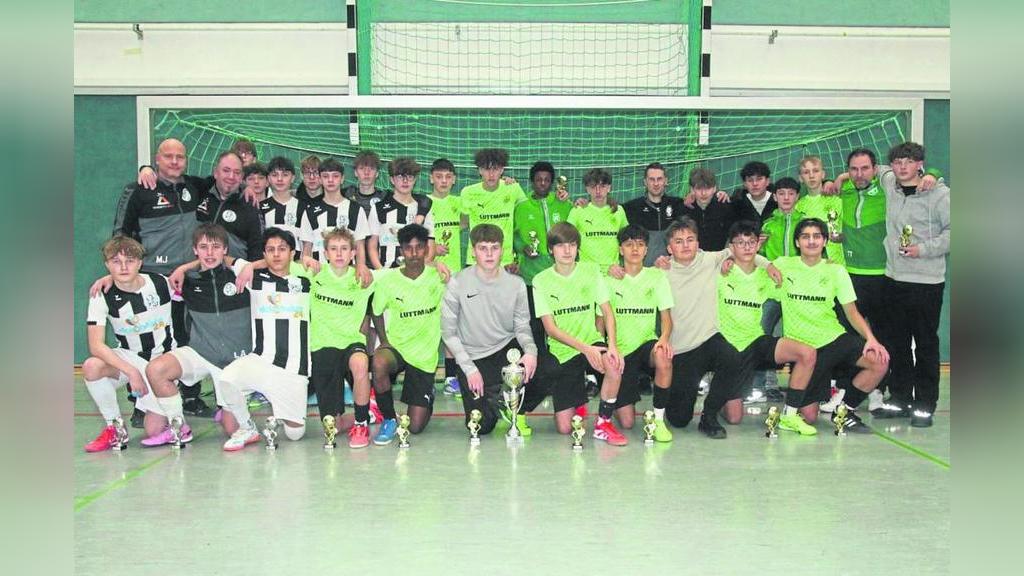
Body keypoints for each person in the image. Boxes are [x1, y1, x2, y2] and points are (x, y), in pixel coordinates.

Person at [112, 138, 208, 423]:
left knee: (186, 338)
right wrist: (122, 274)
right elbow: (120, 235)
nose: (175, 161)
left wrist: (249, 188)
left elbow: (226, 181)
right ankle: (142, 405)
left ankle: (190, 397)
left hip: (188, 278)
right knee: (148, 342)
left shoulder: (195, 187)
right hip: (152, 280)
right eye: (169, 156)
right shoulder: (138, 190)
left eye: (180, 156)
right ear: (157, 159)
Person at [660, 217, 780, 438]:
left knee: (732, 357)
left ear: (698, 243)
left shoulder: (710, 259)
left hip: (709, 339)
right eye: (678, 241)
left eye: (690, 239)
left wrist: (767, 264)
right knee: (678, 420)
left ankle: (709, 415)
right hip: (681, 350)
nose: (686, 245)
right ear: (669, 248)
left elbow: (743, 251)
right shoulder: (661, 272)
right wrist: (614, 270)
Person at [772, 218, 890, 433]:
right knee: (809, 416)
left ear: (825, 241)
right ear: (797, 242)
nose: (811, 241)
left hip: (834, 340)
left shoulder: (836, 271)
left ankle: (844, 411)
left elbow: (852, 312)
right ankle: (808, 401)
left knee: (879, 361)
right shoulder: (783, 265)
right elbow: (752, 264)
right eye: (805, 236)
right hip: (804, 351)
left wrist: (871, 339)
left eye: (817, 236)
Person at [140, 223, 253, 446]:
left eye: (215, 247)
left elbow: (274, 263)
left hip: (235, 362)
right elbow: (137, 282)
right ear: (194, 250)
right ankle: (179, 426)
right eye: (203, 247)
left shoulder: (242, 277)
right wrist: (108, 279)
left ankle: (228, 408)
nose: (209, 253)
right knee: (156, 371)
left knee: (233, 429)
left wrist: (245, 265)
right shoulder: (186, 281)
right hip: (200, 353)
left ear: (225, 250)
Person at [519, 222, 628, 445]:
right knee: (565, 428)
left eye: (572, 245)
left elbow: (607, 311)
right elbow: (551, 329)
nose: (567, 250)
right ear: (551, 250)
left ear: (578, 247)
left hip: (592, 341)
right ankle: (577, 399)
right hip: (564, 350)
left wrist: (613, 346)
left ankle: (604, 424)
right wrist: (585, 349)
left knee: (613, 364)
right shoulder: (541, 281)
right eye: (560, 246)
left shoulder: (591, 271)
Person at [872, 142, 950, 427]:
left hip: (926, 282)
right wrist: (839, 178)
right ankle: (900, 398)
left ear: (920, 164)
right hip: (894, 279)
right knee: (897, 343)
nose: (902, 166)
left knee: (926, 344)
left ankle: (924, 406)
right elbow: (875, 170)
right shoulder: (889, 183)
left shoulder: (940, 194)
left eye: (909, 161)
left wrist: (924, 249)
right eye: (897, 162)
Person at [718, 221, 819, 435]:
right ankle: (719, 394)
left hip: (756, 342)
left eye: (751, 242)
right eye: (740, 243)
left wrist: (823, 266)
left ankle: (789, 415)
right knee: (734, 418)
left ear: (758, 245)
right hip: (728, 347)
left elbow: (796, 288)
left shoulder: (769, 276)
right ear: (731, 246)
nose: (747, 247)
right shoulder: (720, 273)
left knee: (807, 353)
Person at [217, 228, 312, 451]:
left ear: (292, 253)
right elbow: (224, 257)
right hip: (261, 360)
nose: (276, 254)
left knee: (295, 434)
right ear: (264, 254)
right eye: (271, 250)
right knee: (227, 379)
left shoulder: (307, 280)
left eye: (282, 249)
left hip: (293, 369)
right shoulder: (254, 278)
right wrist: (249, 266)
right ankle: (247, 427)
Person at [441, 224, 538, 436]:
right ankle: (498, 400)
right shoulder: (457, 283)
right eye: (483, 248)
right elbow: (448, 333)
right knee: (481, 426)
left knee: (548, 366)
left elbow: (522, 325)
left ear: (502, 250)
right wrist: (469, 369)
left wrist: (531, 351)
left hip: (505, 350)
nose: (489, 254)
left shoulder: (517, 284)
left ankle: (511, 403)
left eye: (494, 248)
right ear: (473, 251)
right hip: (474, 357)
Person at [82, 236, 177, 451]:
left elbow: (204, 270)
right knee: (92, 366)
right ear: (107, 265)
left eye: (130, 261)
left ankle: (170, 409)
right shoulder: (101, 295)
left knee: (154, 430)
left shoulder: (162, 283)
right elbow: (96, 345)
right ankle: (115, 428)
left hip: (163, 362)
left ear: (140, 263)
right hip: (130, 357)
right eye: (116, 262)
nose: (123, 267)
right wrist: (132, 372)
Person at [370, 224, 447, 443]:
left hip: (424, 356)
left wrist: (437, 264)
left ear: (426, 249)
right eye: (408, 248)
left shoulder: (439, 277)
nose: (414, 253)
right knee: (379, 362)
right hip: (398, 348)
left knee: (415, 427)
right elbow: (376, 312)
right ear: (401, 250)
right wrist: (384, 341)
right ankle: (388, 418)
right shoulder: (388, 280)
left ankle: (427, 394)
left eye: (419, 247)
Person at [604, 225, 674, 441]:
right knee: (627, 423)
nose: (635, 249)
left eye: (640, 244)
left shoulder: (657, 277)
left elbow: (666, 318)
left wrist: (664, 339)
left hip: (646, 345)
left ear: (646, 250)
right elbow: (601, 321)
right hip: (621, 352)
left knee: (663, 355)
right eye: (629, 244)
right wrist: (607, 350)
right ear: (620, 249)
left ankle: (658, 420)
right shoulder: (609, 280)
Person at [309, 227, 376, 448]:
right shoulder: (313, 274)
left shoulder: (363, 277)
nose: (339, 254)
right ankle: (371, 411)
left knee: (361, 362)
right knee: (333, 427)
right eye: (334, 249)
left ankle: (361, 424)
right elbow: (277, 263)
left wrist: (436, 264)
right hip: (323, 346)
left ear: (353, 253)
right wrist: (248, 266)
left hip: (351, 342)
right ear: (325, 253)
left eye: (344, 248)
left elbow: (399, 272)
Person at [747, 176, 805, 403]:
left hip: (799, 291)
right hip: (772, 291)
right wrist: (758, 249)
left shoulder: (806, 222)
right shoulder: (768, 225)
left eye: (791, 193)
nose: (786, 198)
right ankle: (761, 385)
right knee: (763, 334)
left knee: (799, 337)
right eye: (781, 193)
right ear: (775, 197)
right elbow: (757, 258)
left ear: (797, 196)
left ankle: (801, 387)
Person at [513, 161, 572, 354]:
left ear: (552, 182)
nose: (543, 183)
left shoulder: (564, 204)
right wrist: (522, 248)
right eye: (539, 180)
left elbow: (575, 230)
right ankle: (537, 363)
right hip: (532, 276)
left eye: (547, 180)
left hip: (560, 276)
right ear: (532, 182)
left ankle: (562, 361)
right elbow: (513, 235)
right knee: (536, 324)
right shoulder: (521, 207)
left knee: (561, 322)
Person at [427, 158, 467, 395]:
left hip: (455, 276)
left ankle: (452, 377)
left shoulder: (459, 202)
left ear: (454, 180)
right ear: (431, 178)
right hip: (430, 275)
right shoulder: (423, 203)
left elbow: (473, 218)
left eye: (448, 177)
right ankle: (427, 378)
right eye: (439, 176)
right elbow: (416, 236)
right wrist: (432, 249)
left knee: (453, 328)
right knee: (431, 328)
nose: (443, 181)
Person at [299, 157, 370, 270]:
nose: (330, 180)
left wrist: (360, 268)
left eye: (335, 176)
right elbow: (307, 247)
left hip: (348, 274)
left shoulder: (355, 209)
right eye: (326, 176)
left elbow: (360, 246)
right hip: (319, 274)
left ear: (342, 179)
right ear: (320, 179)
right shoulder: (310, 211)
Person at [460, 148, 526, 268]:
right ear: (480, 170)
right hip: (476, 261)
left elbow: (528, 213)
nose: (491, 174)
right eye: (487, 169)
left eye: (495, 169)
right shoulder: (468, 192)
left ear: (502, 170)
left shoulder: (513, 189)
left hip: (504, 262)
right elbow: (463, 223)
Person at [367, 157, 434, 269]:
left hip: (416, 273)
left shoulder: (424, 208)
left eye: (410, 176)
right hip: (388, 272)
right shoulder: (378, 208)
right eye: (400, 176)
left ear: (415, 179)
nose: (405, 181)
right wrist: (381, 271)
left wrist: (420, 270)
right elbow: (372, 246)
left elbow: (431, 245)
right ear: (392, 180)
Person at [195, 151, 264, 261]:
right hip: (196, 269)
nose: (231, 176)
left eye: (237, 172)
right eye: (226, 170)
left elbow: (257, 250)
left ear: (242, 177)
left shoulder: (250, 206)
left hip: (232, 271)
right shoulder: (200, 191)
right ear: (216, 172)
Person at [622, 162, 686, 266]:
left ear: (666, 181)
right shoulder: (632, 207)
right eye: (652, 179)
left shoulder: (678, 205)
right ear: (645, 182)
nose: (656, 183)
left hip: (671, 269)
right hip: (645, 271)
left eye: (659, 179)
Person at [566, 168, 629, 273]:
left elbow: (627, 240)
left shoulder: (619, 211)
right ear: (587, 189)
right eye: (593, 187)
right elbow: (565, 240)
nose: (598, 191)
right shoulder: (577, 211)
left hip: (613, 273)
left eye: (602, 186)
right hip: (587, 273)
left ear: (609, 188)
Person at [795, 155, 845, 268]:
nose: (811, 176)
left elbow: (845, 235)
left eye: (816, 171)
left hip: (836, 265)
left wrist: (839, 237)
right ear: (801, 178)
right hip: (810, 266)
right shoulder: (798, 207)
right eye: (806, 172)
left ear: (823, 174)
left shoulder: (837, 201)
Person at [258, 156, 309, 259]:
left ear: (293, 178)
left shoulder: (304, 207)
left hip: (296, 264)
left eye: (285, 175)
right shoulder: (260, 208)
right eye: (275, 175)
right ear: (268, 178)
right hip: (269, 262)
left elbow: (307, 242)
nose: (280, 179)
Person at [682, 167, 735, 251]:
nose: (703, 193)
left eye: (708, 188)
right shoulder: (684, 209)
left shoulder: (725, 206)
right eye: (699, 189)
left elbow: (733, 235)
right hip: (693, 256)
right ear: (692, 189)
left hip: (719, 255)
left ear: (714, 188)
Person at [731, 161, 778, 227]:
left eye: (759, 179)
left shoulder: (779, 201)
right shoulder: (737, 202)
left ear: (767, 181)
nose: (755, 184)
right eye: (750, 180)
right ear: (744, 184)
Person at [344, 150, 388, 215]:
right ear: (355, 172)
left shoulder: (385, 198)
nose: (366, 173)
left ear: (377, 173)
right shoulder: (346, 194)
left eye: (371, 168)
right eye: (362, 168)